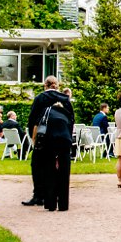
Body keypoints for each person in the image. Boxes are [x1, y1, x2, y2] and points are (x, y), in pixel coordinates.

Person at [25, 75, 74, 210]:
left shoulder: (41, 98)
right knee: (64, 170)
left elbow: (33, 120)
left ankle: (46, 199)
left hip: (46, 138)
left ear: (45, 85)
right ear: (57, 86)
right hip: (64, 137)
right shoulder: (65, 99)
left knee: (46, 168)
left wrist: (34, 139)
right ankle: (63, 202)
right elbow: (71, 120)